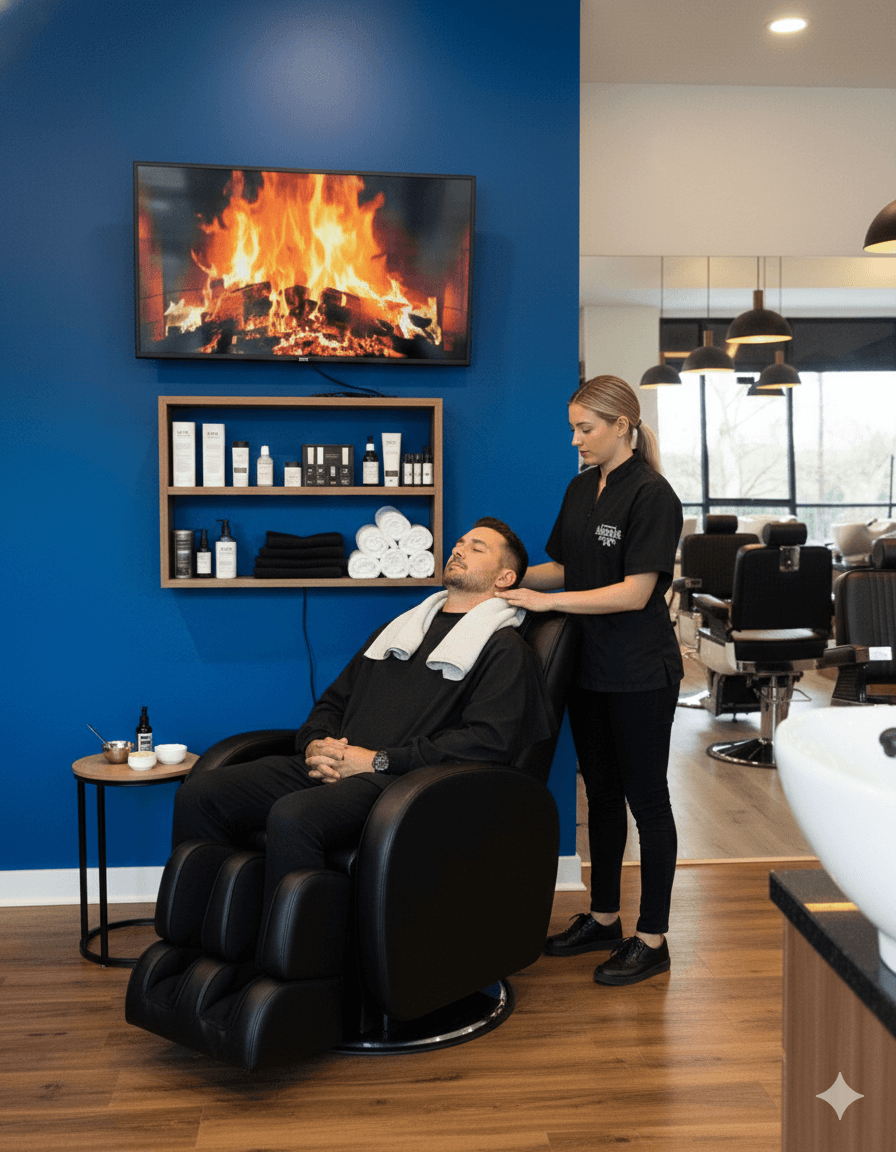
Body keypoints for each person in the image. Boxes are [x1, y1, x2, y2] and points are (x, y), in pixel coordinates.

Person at [172, 517, 555, 912]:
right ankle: (198, 938)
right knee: (200, 795)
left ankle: (299, 965)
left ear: (505, 578)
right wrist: (315, 745)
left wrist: (376, 760)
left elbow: (486, 741)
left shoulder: (504, 649)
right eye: (459, 543)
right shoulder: (399, 629)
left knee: (293, 816)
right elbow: (333, 702)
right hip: (335, 763)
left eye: (477, 548)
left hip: (398, 782)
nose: (458, 549)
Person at [497, 376, 683, 986]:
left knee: (646, 801)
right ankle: (604, 918)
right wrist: (511, 580)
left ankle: (651, 938)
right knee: (598, 795)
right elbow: (567, 566)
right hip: (590, 668)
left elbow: (635, 593)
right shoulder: (582, 487)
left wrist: (551, 604)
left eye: (587, 428)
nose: (576, 439)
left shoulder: (653, 495)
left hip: (639, 672)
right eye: (573, 428)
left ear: (622, 426)